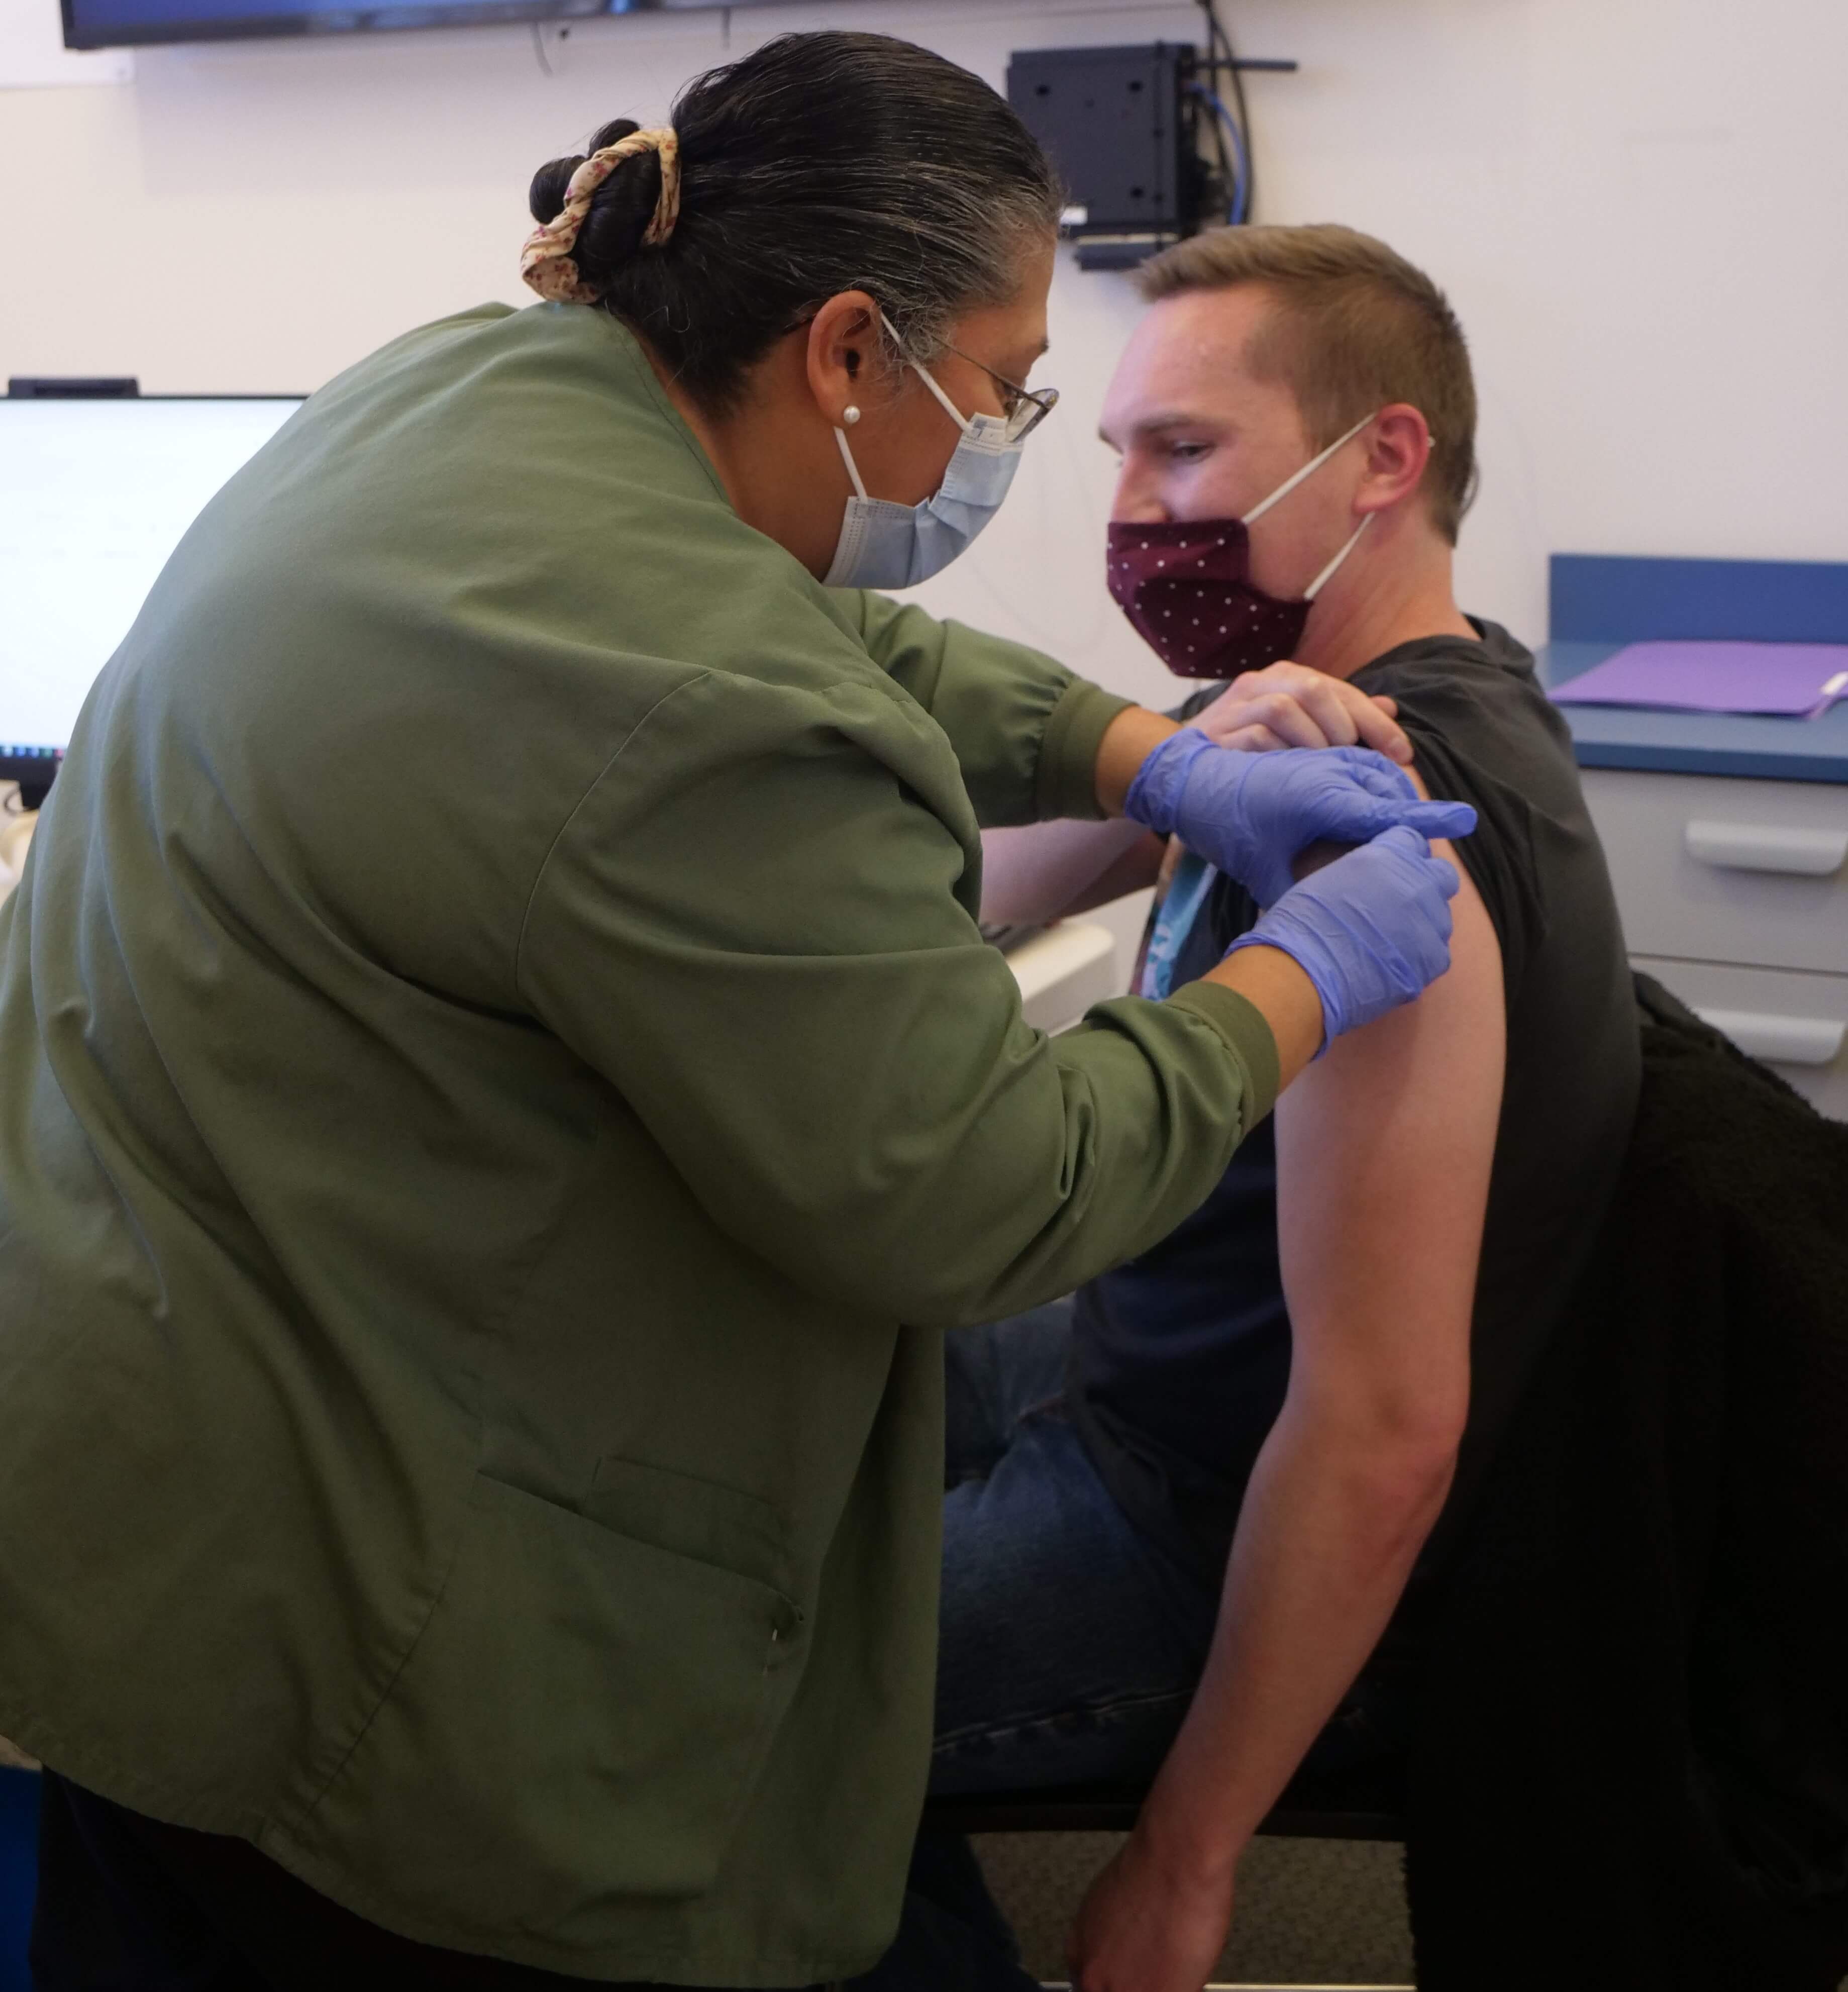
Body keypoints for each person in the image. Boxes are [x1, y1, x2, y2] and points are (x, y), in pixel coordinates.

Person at [0, 42, 1472, 1992]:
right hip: (353, 1610)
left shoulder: (470, 394)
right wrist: (1301, 970)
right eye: (1019, 389)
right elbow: (975, 1189)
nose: (1027, 440)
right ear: (853, 352)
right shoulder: (694, 695)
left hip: (132, 1443)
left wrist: (1136, 754)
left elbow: (816, 625)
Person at [909, 224, 1642, 1992]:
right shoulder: (1386, 692)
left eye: (1186, 452)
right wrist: (1176, 762)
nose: (1135, 511)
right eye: (1124, 455)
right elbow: (975, 891)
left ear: (1382, 458)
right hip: (1131, 1370)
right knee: (790, 1344)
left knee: (680, 1703)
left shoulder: (1386, 818)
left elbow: (1383, 1427)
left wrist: (1185, 1859)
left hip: (1198, 1529)